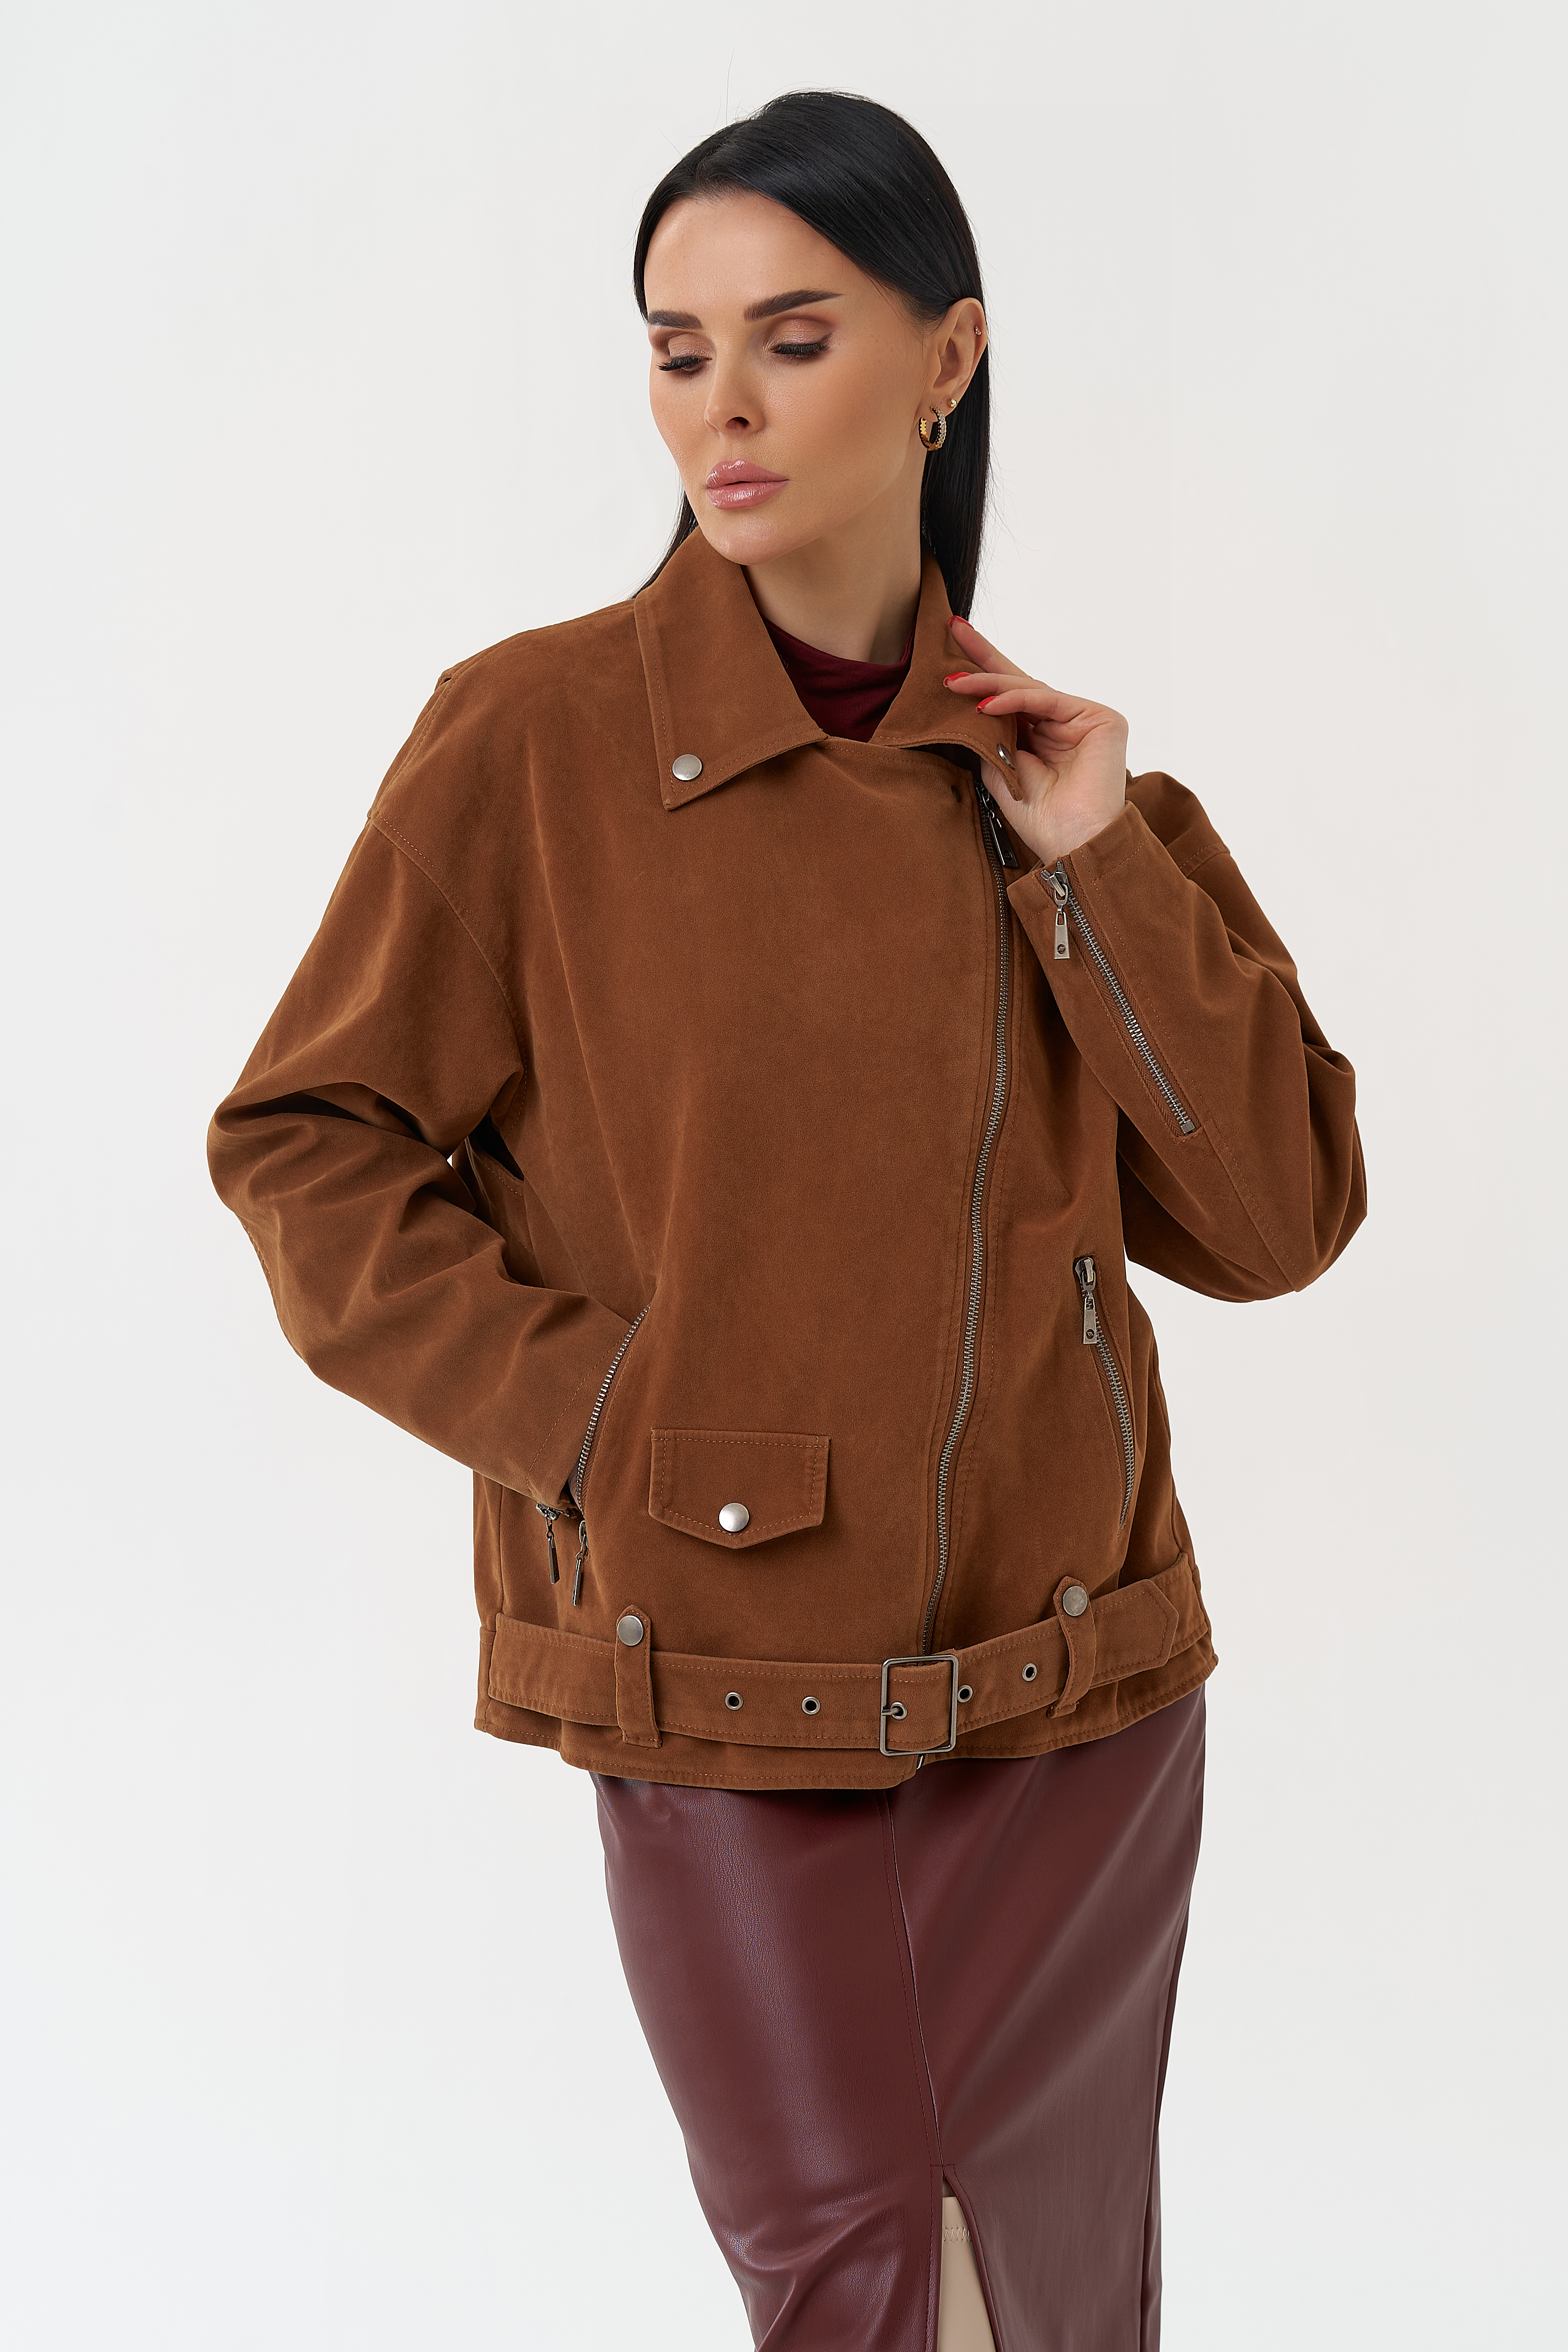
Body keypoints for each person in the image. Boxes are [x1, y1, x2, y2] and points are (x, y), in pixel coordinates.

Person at [209, 89, 1365, 2352]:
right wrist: (605, 1417)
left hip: (1079, 1699)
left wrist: (1096, 862)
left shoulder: (1057, 786)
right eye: (677, 349)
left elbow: (1277, 1216)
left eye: (791, 338)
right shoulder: (530, 742)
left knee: (1059, 2309)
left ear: (948, 359)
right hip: (729, 1690)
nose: (718, 406)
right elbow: (307, 1138)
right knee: (864, 2293)